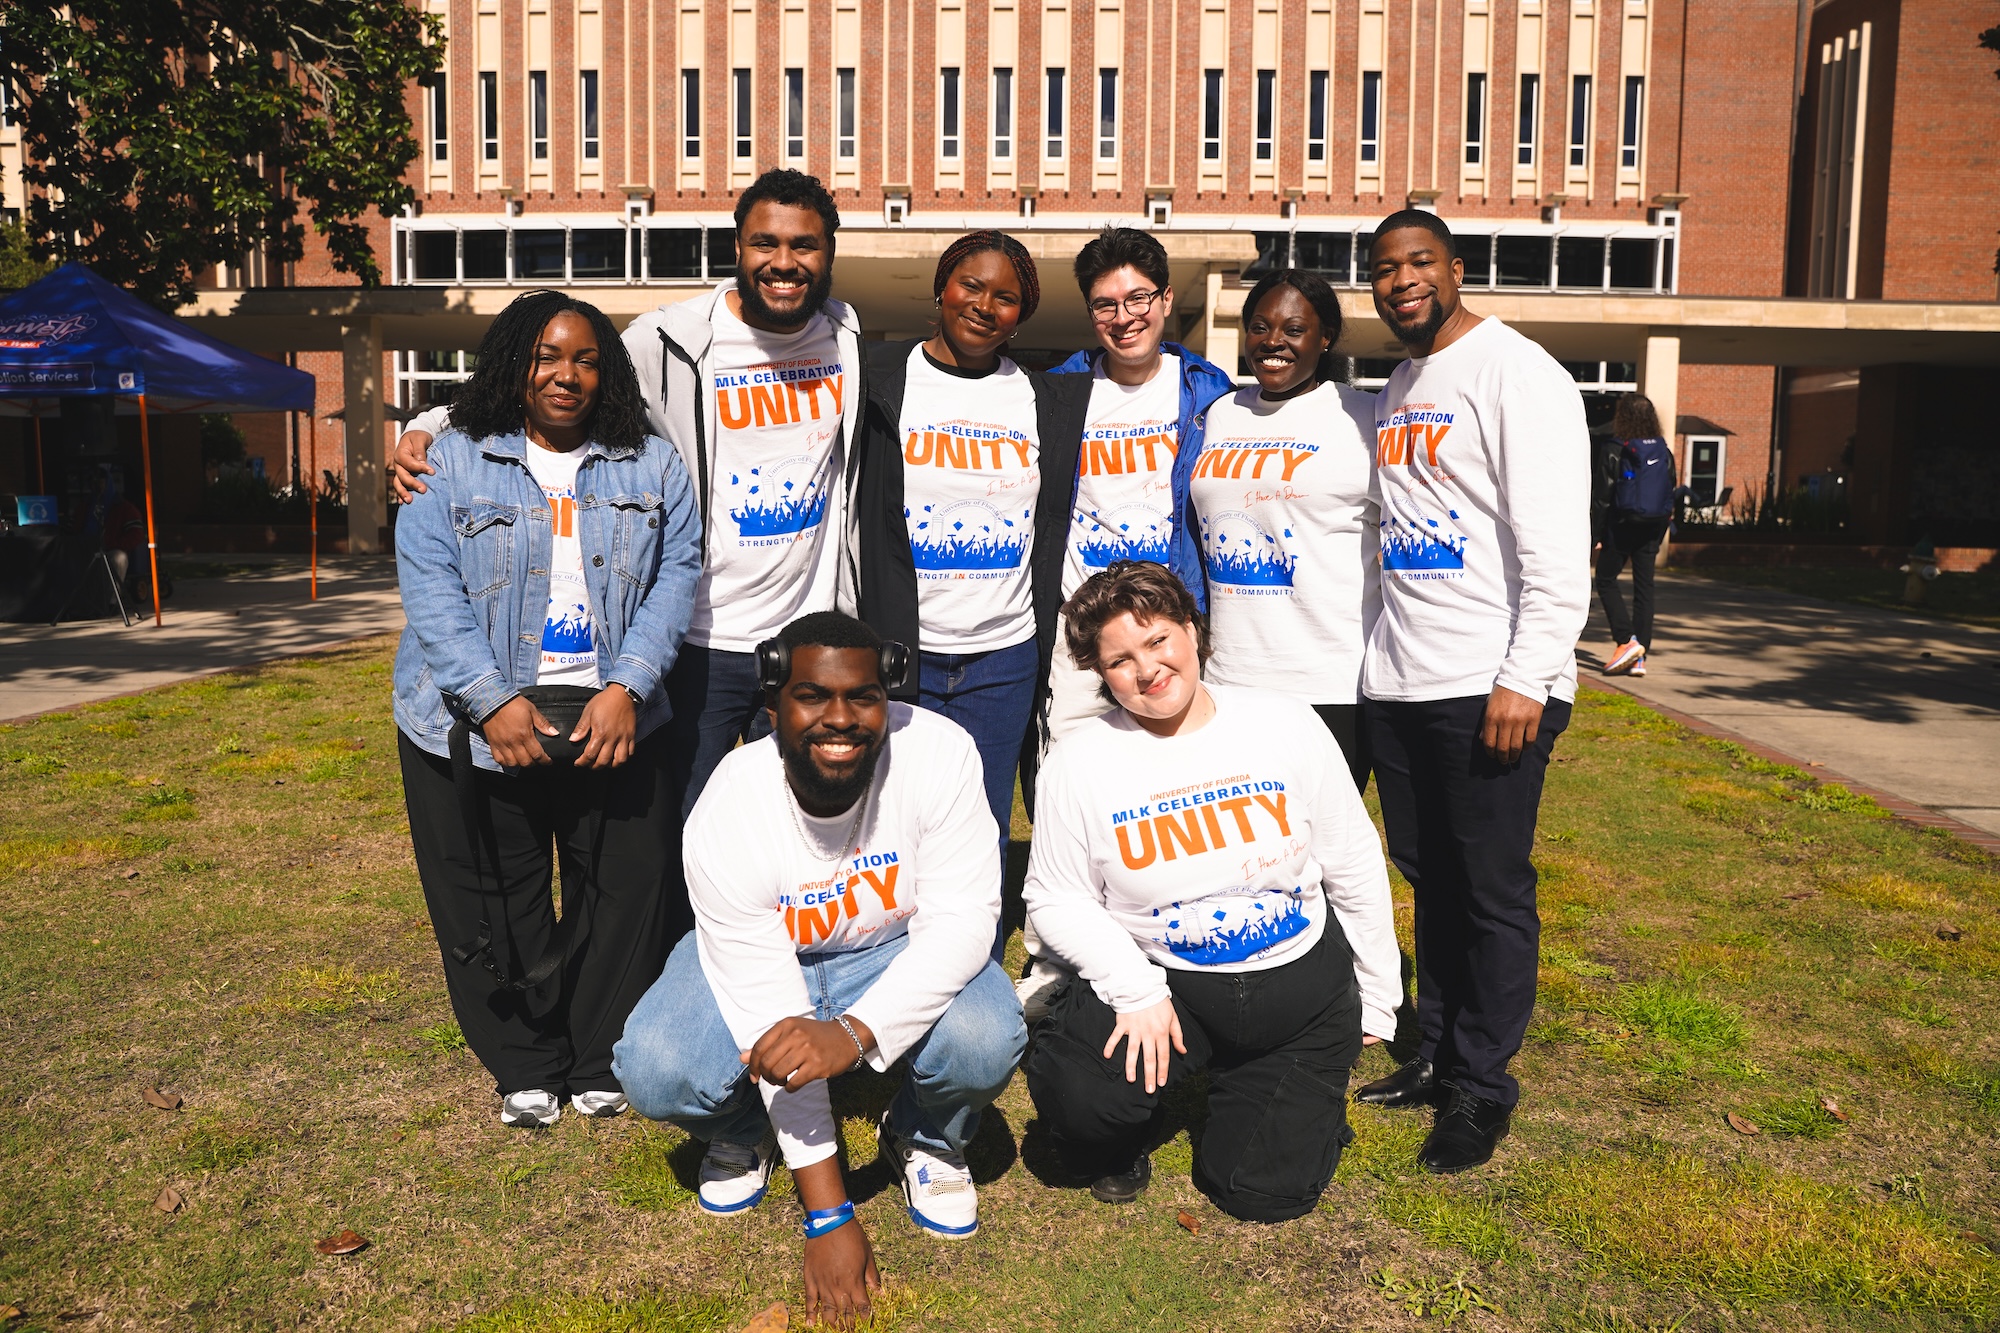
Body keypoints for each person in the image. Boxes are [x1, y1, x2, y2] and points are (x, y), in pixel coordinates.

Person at [391, 169, 867, 835]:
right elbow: (562, 380)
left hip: (804, 640)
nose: (784, 263)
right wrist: (430, 423)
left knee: (798, 827)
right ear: (738, 246)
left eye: (805, 246)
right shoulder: (668, 339)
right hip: (702, 640)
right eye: (765, 243)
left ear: (829, 252)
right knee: (682, 834)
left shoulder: (847, 338)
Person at [614, 612, 1025, 1326]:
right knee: (657, 1063)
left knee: (988, 1032)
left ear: (888, 698)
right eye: (813, 695)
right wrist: (828, 1213)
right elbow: (767, 1000)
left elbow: (963, 921)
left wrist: (859, 1031)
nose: (840, 718)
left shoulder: (940, 754)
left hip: (892, 947)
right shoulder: (730, 805)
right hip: (772, 960)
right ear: (775, 703)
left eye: (862, 696)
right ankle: (743, 1128)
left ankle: (923, 1135)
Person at [393, 290, 702, 1128]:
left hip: (612, 710)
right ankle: (525, 1062)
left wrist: (628, 684)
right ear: (514, 366)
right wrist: (491, 702)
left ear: (609, 372)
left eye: (587, 358)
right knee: (498, 890)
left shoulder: (651, 462)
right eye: (547, 356)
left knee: (620, 888)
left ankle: (599, 1052)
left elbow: (679, 573)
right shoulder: (448, 459)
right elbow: (429, 587)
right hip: (474, 715)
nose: (567, 375)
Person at [1020, 562, 1398, 1220]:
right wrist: (1132, 988)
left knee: (1260, 1191)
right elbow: (1054, 898)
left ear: (1192, 628)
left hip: (1298, 992)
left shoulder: (1284, 721)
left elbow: (1352, 855)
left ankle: (1273, 1088)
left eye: (1159, 639)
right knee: (1084, 1099)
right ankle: (1131, 1118)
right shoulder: (1079, 762)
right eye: (1120, 659)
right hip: (1169, 987)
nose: (1147, 669)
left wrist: (1381, 990)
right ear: (1101, 672)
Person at [1354, 211, 1590, 1173]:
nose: (1403, 280)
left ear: (1456, 268)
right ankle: (1437, 1049)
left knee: (1490, 888)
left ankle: (1481, 1089)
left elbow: (1556, 546)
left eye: (1420, 262)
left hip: (1491, 684)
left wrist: (1525, 675)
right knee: (1431, 877)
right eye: (1385, 268)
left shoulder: (1517, 371)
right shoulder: (1404, 382)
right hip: (1405, 680)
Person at [851, 231, 1089, 848]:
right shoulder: (876, 377)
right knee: (891, 818)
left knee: (980, 823)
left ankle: (976, 944)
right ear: (941, 289)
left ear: (1021, 315)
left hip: (1002, 657)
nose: (985, 305)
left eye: (1006, 297)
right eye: (972, 286)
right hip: (903, 651)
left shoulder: (1044, 399)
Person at [1040, 227, 1236, 746]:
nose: (1123, 318)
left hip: (1170, 620)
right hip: (1080, 626)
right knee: (1072, 764)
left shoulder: (1210, 391)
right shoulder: (1059, 394)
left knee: (1178, 767)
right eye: (1105, 305)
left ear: (1166, 299)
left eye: (1138, 298)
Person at [1188, 268, 1379, 791]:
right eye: (1259, 327)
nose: (1273, 342)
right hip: (1230, 678)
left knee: (1322, 849)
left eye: (1293, 330)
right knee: (1240, 849)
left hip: (1331, 679)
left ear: (1325, 338)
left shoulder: (1363, 417)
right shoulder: (1220, 413)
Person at [1594, 393, 1675, 678]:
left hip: (1622, 524)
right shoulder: (1663, 450)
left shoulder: (1614, 448)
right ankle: (1641, 656)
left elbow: (1602, 498)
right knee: (1644, 588)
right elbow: (1671, 489)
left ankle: (1626, 640)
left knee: (1605, 579)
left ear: (1623, 417)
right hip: (1653, 526)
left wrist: (1596, 535)